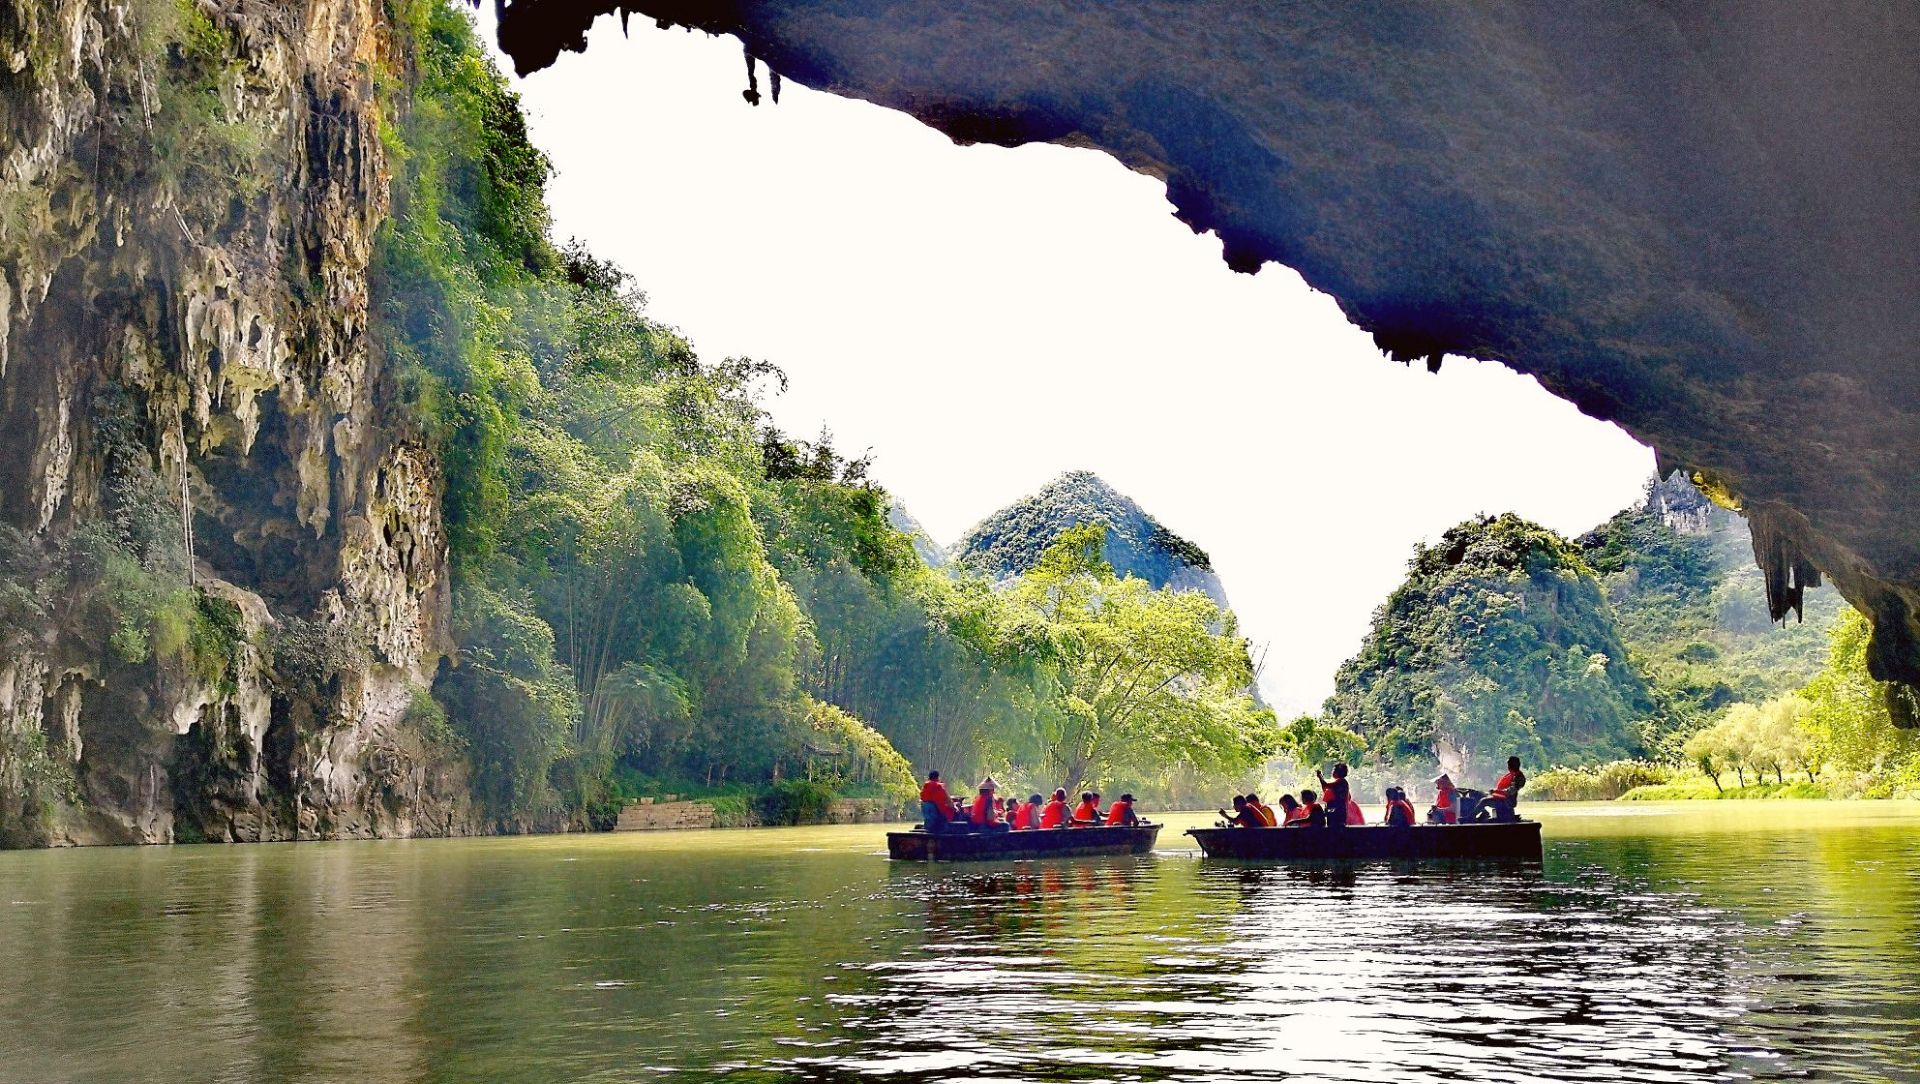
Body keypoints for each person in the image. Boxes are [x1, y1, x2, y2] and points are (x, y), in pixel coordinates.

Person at [1479, 757, 1526, 821]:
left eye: (1510, 764)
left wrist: (1495, 791)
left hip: (1506, 802)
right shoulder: (1510, 774)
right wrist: (1494, 792)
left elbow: (1510, 791)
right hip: (1500, 797)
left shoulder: (1519, 778)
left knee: (1483, 801)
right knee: (1478, 795)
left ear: (1516, 764)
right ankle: (1485, 814)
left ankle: (1470, 817)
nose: (1508, 766)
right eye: (1508, 764)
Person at [1317, 763, 1351, 828]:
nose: (1332, 772)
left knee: (1335, 829)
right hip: (1334, 809)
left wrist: (1320, 777)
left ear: (1339, 772)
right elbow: (1325, 788)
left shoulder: (1341, 782)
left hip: (1337, 811)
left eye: (1334, 770)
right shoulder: (1340, 782)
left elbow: (1325, 785)